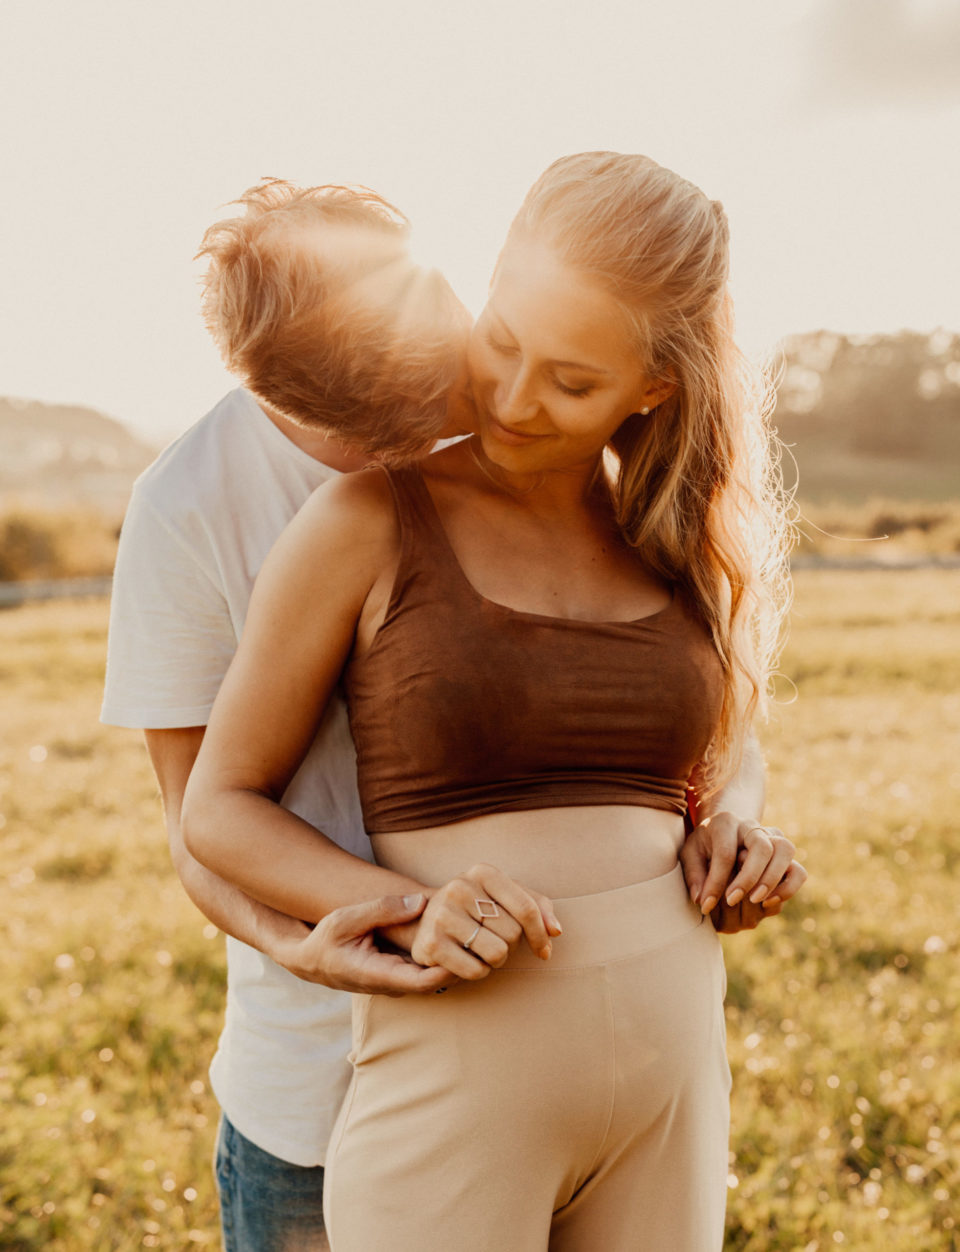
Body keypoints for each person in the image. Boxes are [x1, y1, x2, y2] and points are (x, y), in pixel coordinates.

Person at [181, 152, 804, 1251]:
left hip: (673, 1088)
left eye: (572, 382)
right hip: (455, 1079)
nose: (515, 400)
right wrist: (403, 902)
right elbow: (218, 806)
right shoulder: (368, 520)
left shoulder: (677, 546)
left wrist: (738, 839)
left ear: (652, 387)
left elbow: (693, 782)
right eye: (504, 342)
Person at [101, 178, 476, 1252]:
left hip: (518, 1050)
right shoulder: (187, 507)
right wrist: (301, 943)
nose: (444, 427)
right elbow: (196, 825)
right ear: (288, 402)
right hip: (313, 1086)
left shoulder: (499, 411)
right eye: (381, 432)